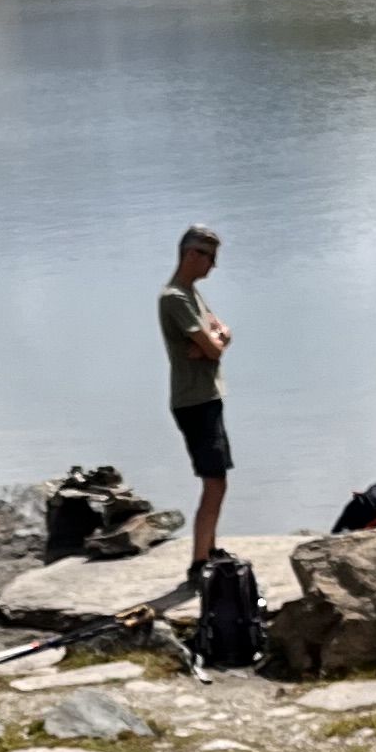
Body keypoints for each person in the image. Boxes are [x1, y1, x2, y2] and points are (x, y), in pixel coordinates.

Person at [157, 224, 233, 576]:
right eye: (209, 257)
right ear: (191, 255)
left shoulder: (193, 294)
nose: (213, 266)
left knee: (217, 480)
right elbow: (215, 348)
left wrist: (210, 343)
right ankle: (200, 562)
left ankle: (210, 549)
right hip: (194, 401)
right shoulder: (175, 298)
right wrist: (211, 345)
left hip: (208, 397)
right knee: (214, 480)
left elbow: (221, 334)